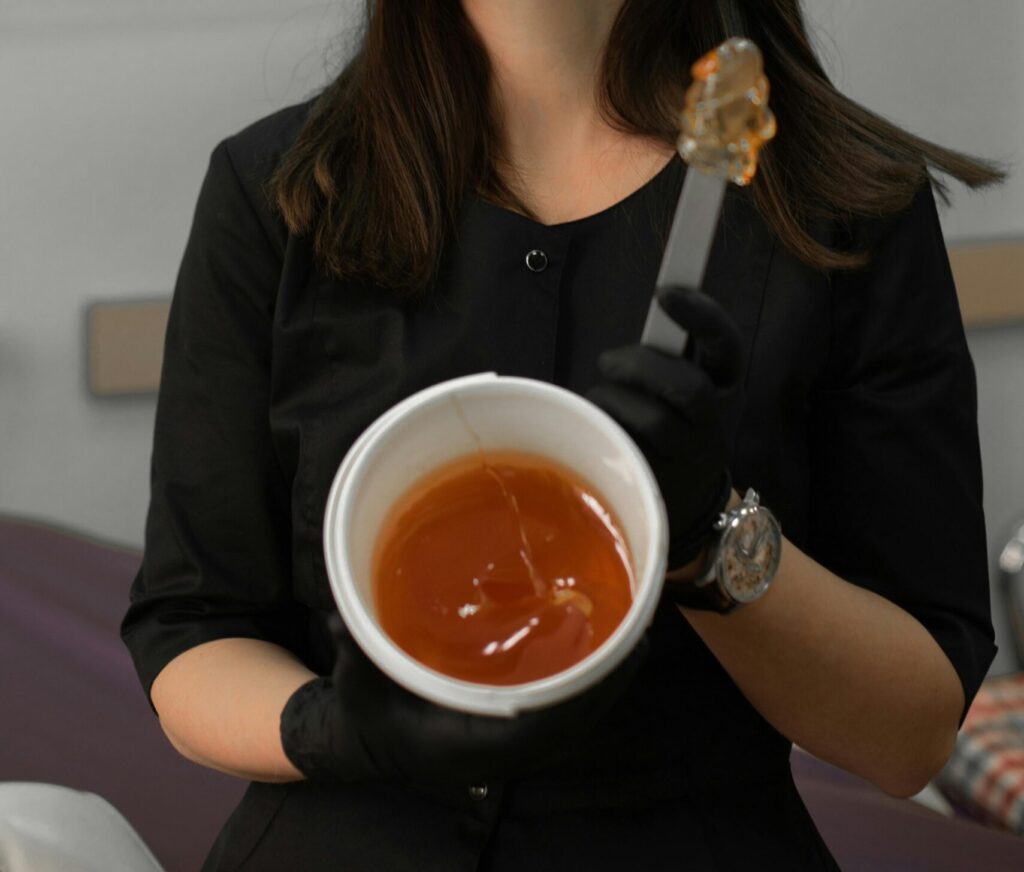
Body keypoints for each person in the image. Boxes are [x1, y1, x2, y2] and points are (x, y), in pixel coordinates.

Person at [121, 1, 1004, 868]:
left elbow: (911, 738)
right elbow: (194, 630)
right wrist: (340, 730)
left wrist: (712, 537)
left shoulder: (845, 207)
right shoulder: (276, 193)